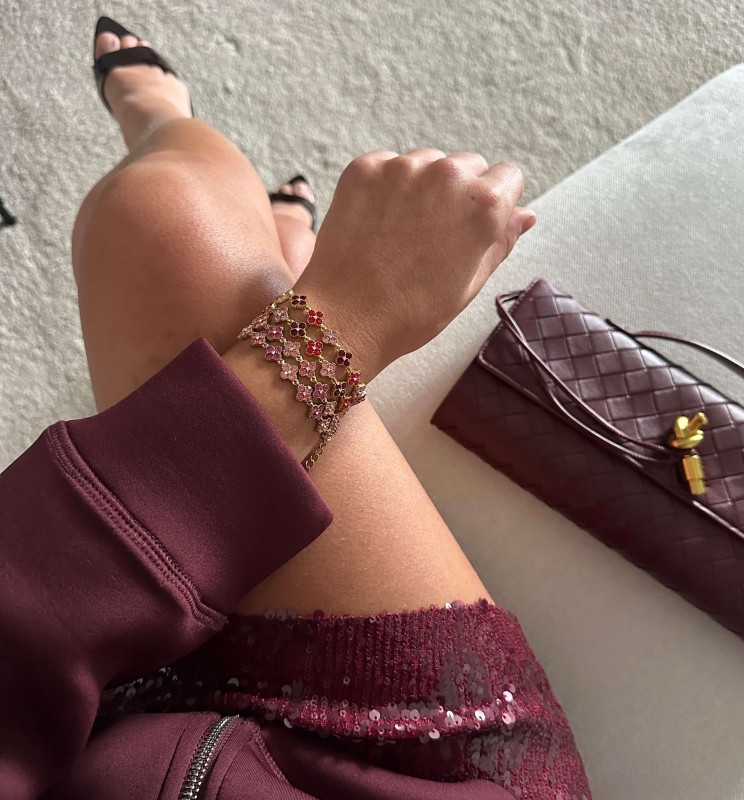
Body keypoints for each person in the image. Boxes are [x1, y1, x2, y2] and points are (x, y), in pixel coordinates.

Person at [0, 16, 592, 800]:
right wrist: (339, 327)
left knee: (154, 212)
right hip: (405, 771)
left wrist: (337, 322)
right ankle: (173, 132)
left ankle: (170, 130)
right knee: (169, 218)